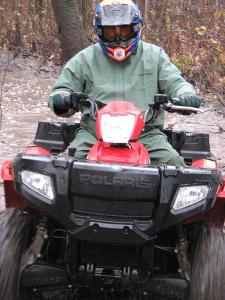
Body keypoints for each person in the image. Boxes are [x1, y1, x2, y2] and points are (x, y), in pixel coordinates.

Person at [48, 0, 201, 166]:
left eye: (124, 30)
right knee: (62, 166)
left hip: (147, 135)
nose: (118, 37)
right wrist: (63, 98)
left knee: (175, 166)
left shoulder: (155, 56)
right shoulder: (84, 59)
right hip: (93, 136)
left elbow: (176, 82)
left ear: (135, 28)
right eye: (110, 32)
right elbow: (61, 89)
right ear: (100, 31)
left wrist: (186, 95)